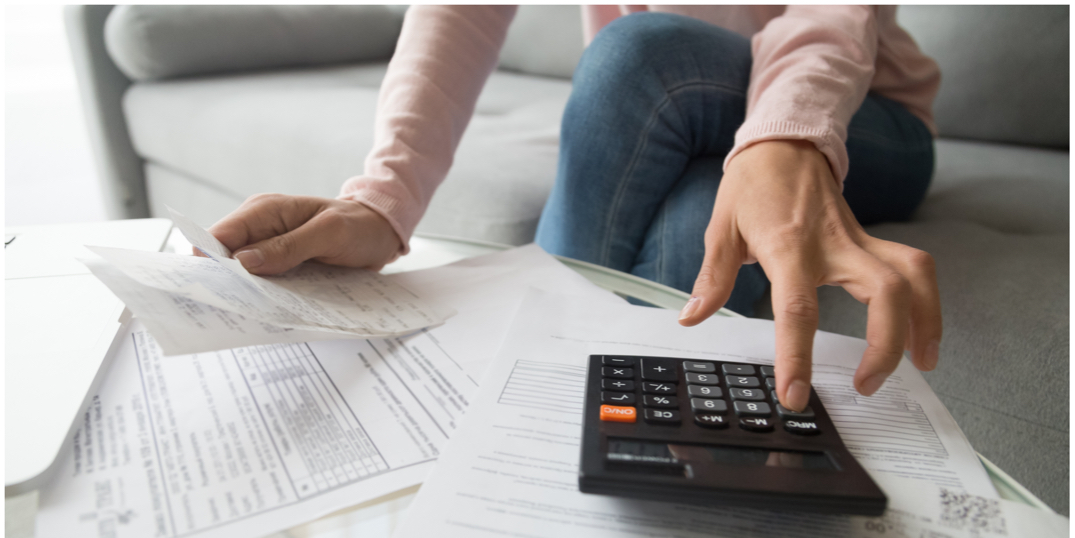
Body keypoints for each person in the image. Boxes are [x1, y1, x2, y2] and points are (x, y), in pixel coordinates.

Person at [205, 6, 942, 412]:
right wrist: (380, 202)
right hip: (685, 123)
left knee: (636, 51)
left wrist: (782, 143)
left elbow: (831, 17)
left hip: (861, 114)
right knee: (695, 227)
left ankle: (529, 400)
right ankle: (600, 444)